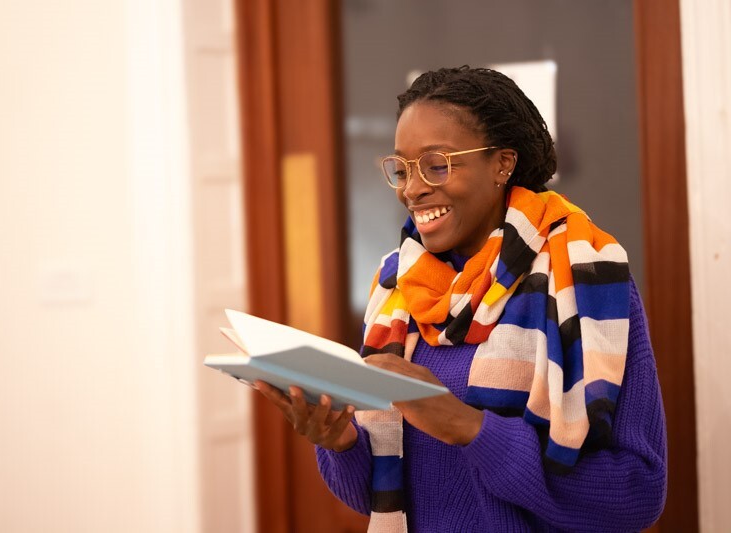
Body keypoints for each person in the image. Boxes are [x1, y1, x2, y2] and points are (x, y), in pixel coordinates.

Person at [256, 65, 666, 532]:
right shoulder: (398, 289)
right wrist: (342, 441)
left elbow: (636, 495)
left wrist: (467, 427)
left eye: (437, 163)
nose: (412, 189)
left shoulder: (581, 283)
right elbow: (379, 497)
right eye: (402, 169)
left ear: (502, 164)